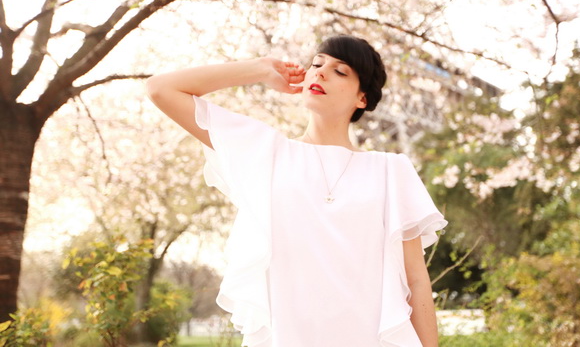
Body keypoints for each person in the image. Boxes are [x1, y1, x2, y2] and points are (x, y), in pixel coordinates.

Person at [146, 35, 447, 347]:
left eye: (340, 71)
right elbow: (161, 89)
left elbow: (416, 280)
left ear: (362, 98)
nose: (319, 72)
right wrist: (260, 69)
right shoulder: (266, 152)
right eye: (316, 64)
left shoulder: (390, 170)